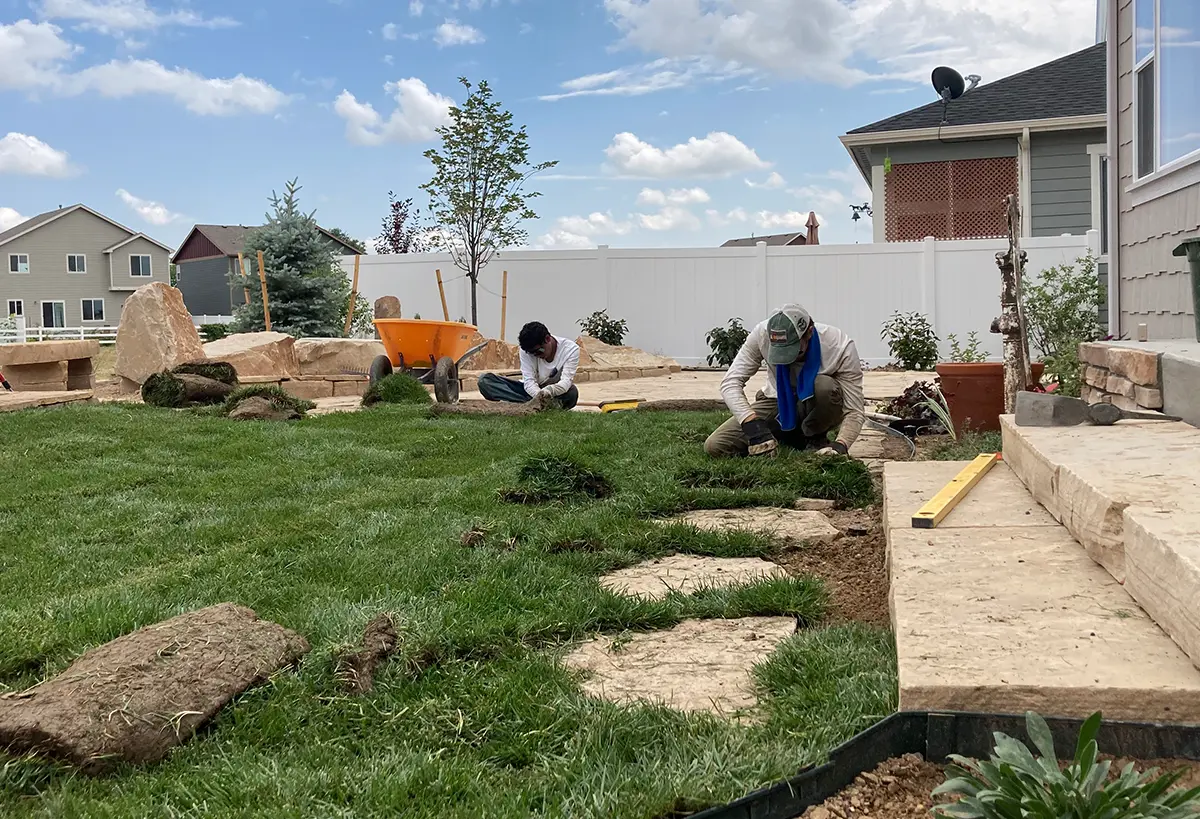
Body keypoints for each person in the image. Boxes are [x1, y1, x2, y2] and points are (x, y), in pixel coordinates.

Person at [704, 303, 865, 458]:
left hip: (818, 404)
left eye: (793, 350)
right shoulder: (762, 335)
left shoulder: (839, 346)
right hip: (777, 399)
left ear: (809, 333)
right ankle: (789, 436)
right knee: (716, 446)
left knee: (824, 387)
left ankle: (815, 438)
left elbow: (854, 411)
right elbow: (730, 382)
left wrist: (841, 445)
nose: (786, 359)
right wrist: (752, 424)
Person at [477, 321, 581, 410]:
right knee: (485, 381)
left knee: (572, 393)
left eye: (538, 351)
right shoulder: (525, 351)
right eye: (531, 353)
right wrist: (538, 396)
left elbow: (565, 382)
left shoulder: (571, 350)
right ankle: (538, 406)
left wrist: (549, 391)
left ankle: (522, 404)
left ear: (548, 339)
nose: (535, 355)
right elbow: (529, 381)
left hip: (553, 393)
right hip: (529, 392)